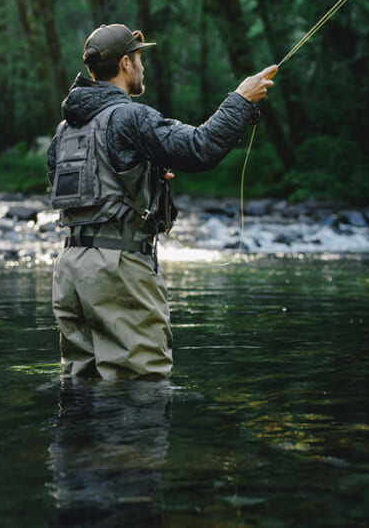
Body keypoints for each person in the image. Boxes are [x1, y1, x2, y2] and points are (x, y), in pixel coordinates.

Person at [47, 23, 276, 379]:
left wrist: (145, 177)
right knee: (141, 382)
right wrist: (241, 101)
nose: (143, 67)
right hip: (119, 269)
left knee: (82, 382)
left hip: (69, 270)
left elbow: (86, 190)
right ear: (125, 64)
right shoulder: (129, 117)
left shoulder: (65, 131)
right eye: (139, 59)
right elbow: (199, 148)